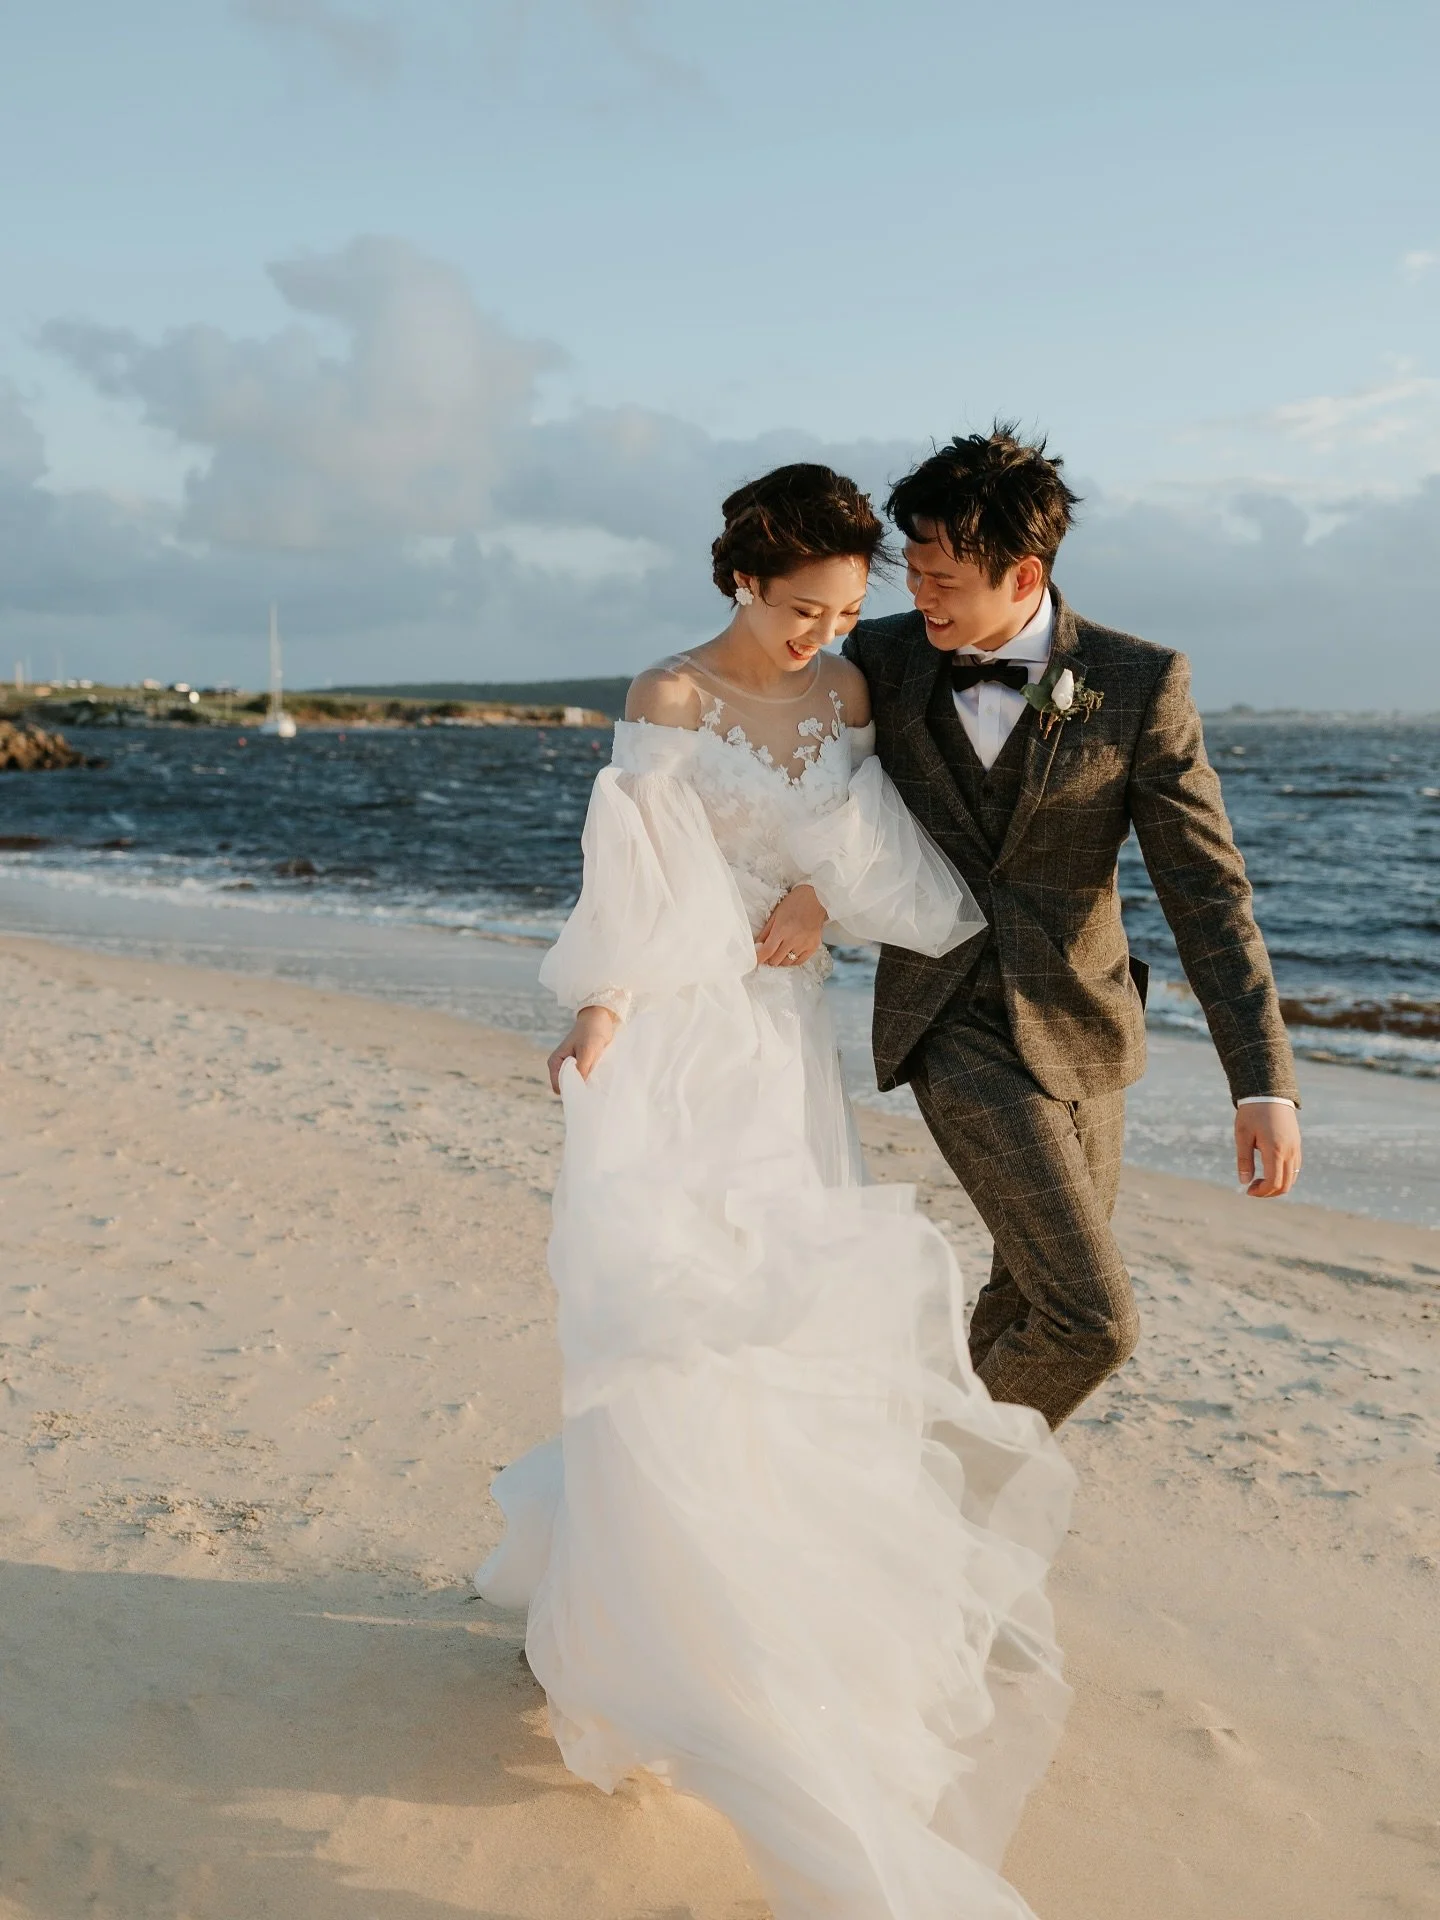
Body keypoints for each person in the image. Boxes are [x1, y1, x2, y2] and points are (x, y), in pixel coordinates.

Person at [476, 464, 1075, 1920]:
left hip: (778, 1037)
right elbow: (632, 875)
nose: (825, 636)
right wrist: (602, 1011)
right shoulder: (670, 698)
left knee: (785, 1320)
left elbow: (871, 858)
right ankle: (663, 1637)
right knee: (672, 1326)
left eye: (845, 612)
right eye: (804, 608)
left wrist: (823, 902)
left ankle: (759, 1622)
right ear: (743, 581)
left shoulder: (851, 699)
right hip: (680, 1036)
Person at [830, 424, 1303, 1429]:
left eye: (943, 576)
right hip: (945, 1019)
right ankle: (908, 1505)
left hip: (1086, 1033)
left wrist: (1262, 1081)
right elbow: (811, 794)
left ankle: (923, 1540)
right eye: (910, 570)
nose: (919, 594)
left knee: (1028, 1298)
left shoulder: (1139, 685)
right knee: (1095, 1321)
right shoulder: (877, 657)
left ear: (1024, 571)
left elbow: (1205, 891)